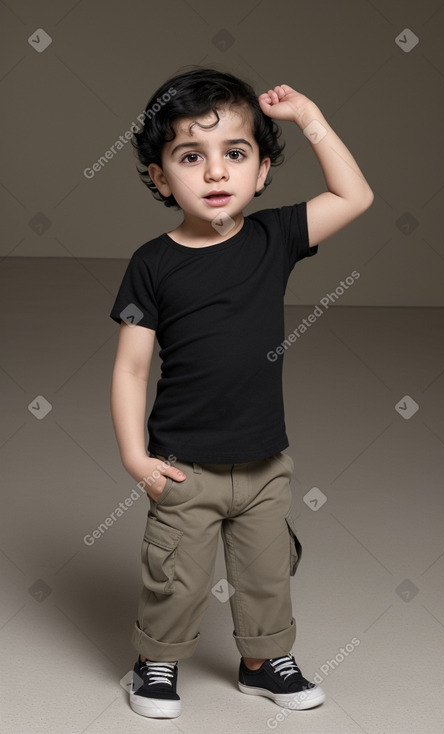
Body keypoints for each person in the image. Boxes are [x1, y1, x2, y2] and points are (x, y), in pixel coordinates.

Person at [110, 66, 373, 719]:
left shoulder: (273, 238)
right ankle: (156, 661)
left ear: (260, 172)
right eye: (190, 157)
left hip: (263, 464)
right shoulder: (152, 262)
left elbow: (353, 196)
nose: (216, 172)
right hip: (183, 465)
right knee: (176, 575)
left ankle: (262, 661)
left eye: (236, 153)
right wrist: (135, 457)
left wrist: (308, 117)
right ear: (159, 178)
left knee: (266, 573)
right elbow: (131, 370)